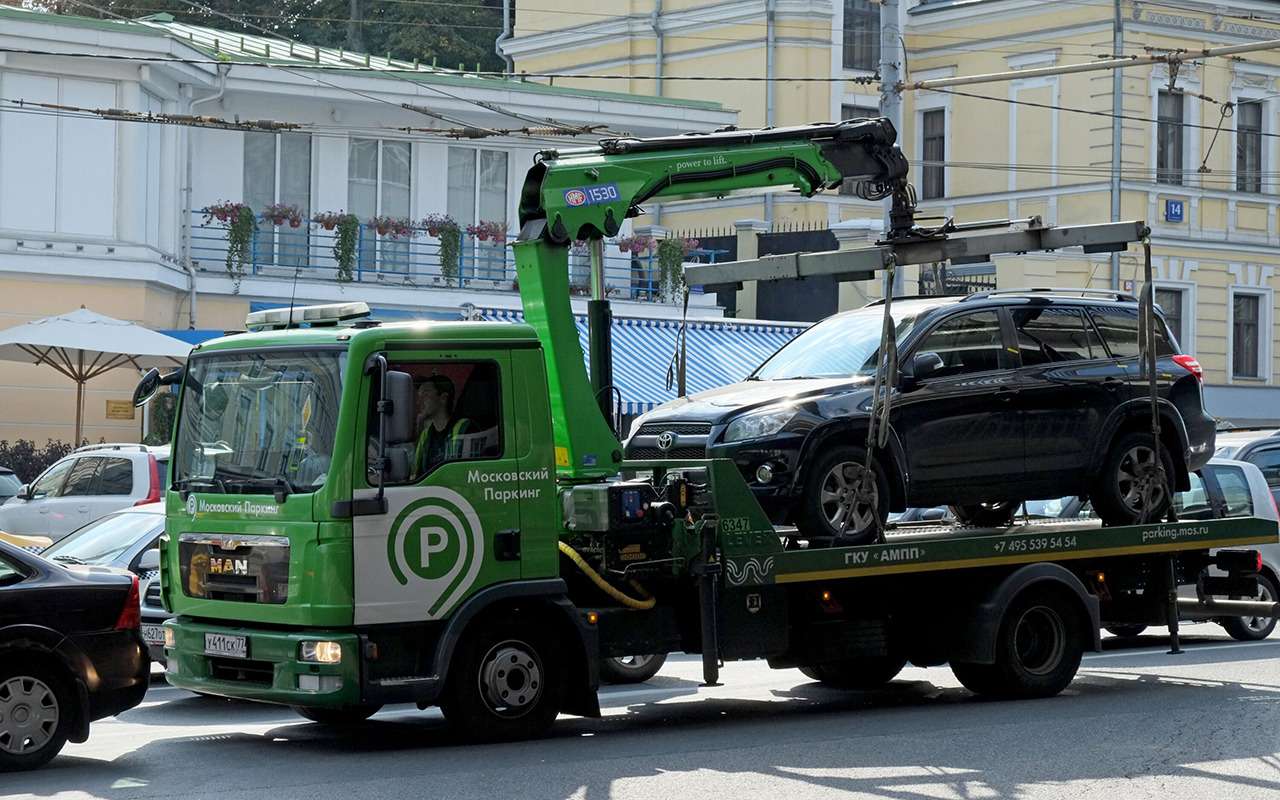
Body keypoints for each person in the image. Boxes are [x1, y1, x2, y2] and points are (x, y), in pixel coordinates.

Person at [413, 374, 471, 478]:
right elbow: (416, 474)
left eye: (425, 395)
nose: (419, 402)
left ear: (443, 398)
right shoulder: (425, 435)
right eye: (419, 396)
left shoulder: (465, 429)